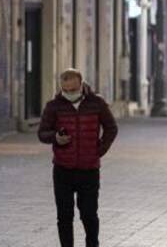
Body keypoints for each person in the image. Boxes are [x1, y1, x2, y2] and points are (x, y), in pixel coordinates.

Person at [38, 68, 118, 247]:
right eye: (65, 90)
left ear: (81, 85)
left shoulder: (96, 103)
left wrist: (99, 150)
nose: (69, 93)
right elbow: (42, 133)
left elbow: (111, 128)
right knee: (64, 216)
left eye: (73, 90)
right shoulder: (54, 106)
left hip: (89, 169)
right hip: (62, 169)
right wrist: (56, 138)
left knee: (89, 214)